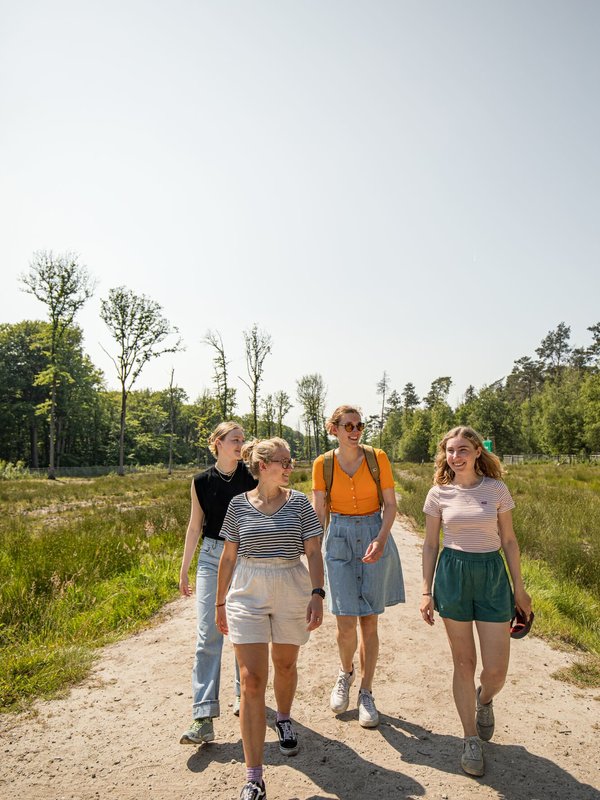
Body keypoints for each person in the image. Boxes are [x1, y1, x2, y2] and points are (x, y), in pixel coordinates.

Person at [420, 425, 533, 778]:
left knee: (496, 669)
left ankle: (484, 700)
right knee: (464, 662)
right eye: (451, 451)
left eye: (463, 450)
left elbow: (510, 541)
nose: (456, 456)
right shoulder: (439, 493)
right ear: (445, 454)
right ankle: (470, 738)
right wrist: (426, 590)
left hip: (492, 575)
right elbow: (429, 545)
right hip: (453, 575)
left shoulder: (496, 489)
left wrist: (520, 587)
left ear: (477, 452)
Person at [216, 437, 324, 800]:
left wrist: (317, 593)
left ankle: (283, 718)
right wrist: (219, 604)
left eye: (290, 462)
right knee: (251, 680)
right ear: (264, 466)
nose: (290, 467)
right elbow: (228, 558)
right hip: (247, 589)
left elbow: (312, 550)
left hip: (291, 584)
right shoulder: (237, 505)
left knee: (286, 664)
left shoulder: (300, 504)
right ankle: (254, 777)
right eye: (284, 462)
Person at [312, 405, 405, 729]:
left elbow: (390, 505)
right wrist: (315, 555)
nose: (355, 430)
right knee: (345, 622)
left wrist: (380, 539)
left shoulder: (377, 458)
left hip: (372, 533)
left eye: (359, 425)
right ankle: (345, 672)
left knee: (369, 622)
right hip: (337, 537)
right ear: (334, 429)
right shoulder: (322, 465)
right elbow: (319, 513)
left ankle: (366, 691)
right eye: (348, 425)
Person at [179, 422, 257, 745]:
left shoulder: (251, 478)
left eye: (242, 439)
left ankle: (244, 696)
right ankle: (202, 717)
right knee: (208, 634)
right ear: (218, 443)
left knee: (242, 630)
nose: (239, 443)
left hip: (244, 557)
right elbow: (195, 526)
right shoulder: (200, 482)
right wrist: (184, 569)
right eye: (233, 439)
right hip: (211, 558)